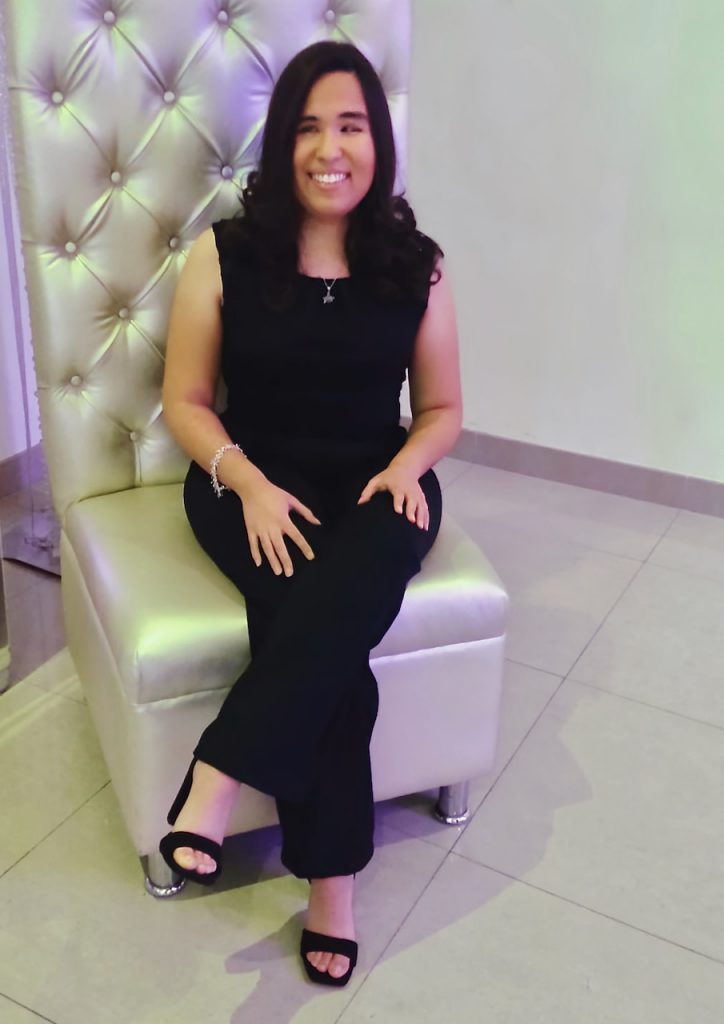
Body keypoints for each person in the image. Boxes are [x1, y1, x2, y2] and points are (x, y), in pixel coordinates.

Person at [159, 40, 462, 987]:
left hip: (381, 483)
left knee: (330, 607)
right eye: (308, 127)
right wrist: (244, 480)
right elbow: (186, 401)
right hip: (251, 481)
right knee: (318, 622)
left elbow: (445, 410)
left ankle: (221, 774)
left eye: (351, 126)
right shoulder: (226, 255)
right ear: (282, 142)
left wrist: (411, 462)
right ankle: (333, 882)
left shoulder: (418, 266)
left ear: (378, 142)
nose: (330, 148)